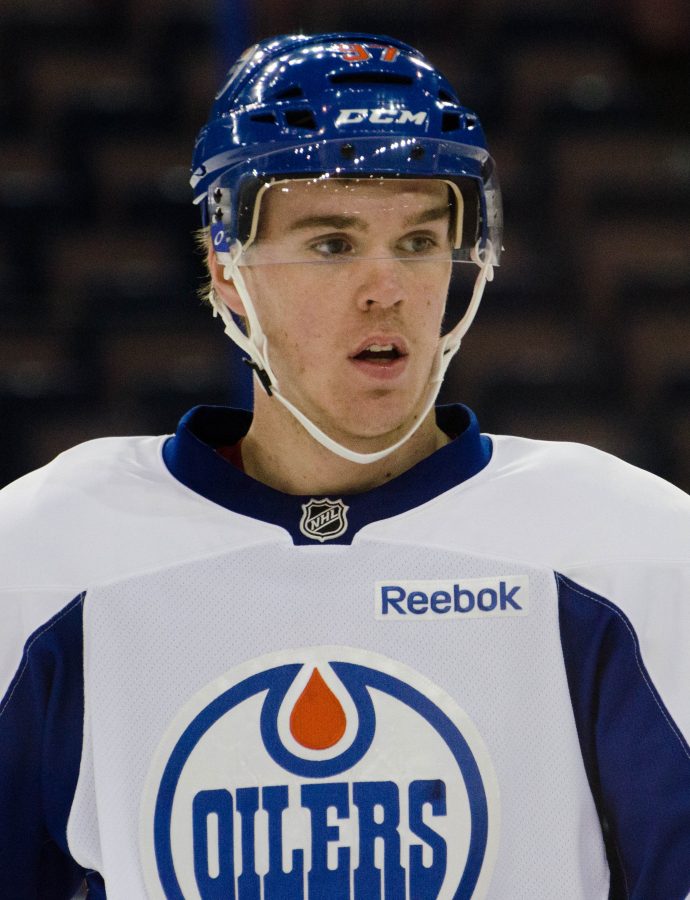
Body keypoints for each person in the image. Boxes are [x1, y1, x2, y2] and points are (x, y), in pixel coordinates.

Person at [0, 32, 688, 899]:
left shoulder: (631, 552)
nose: (386, 288)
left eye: (417, 243)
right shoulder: (43, 560)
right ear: (224, 267)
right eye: (332, 245)